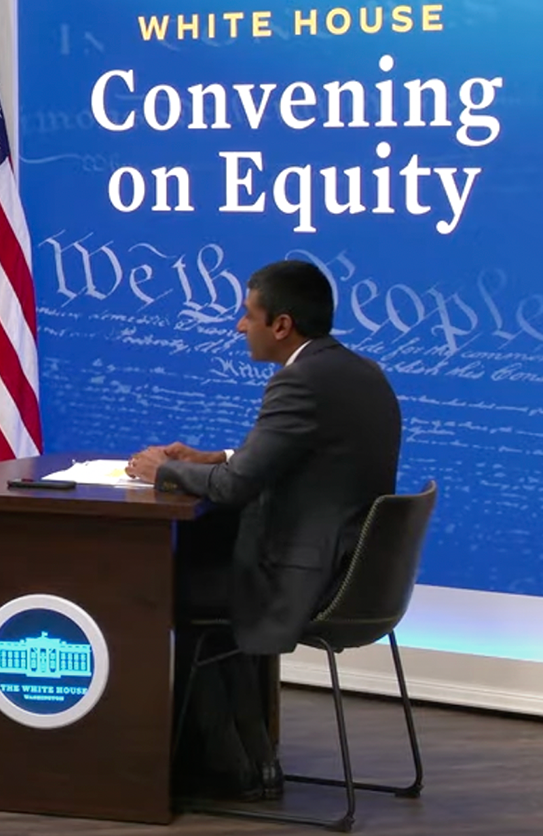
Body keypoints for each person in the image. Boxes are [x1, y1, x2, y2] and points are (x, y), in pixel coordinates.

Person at [125, 259, 402, 802]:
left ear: (282, 324)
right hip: (357, 577)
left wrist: (165, 471)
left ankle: (224, 768)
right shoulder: (358, 371)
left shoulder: (300, 380)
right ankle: (246, 759)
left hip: (307, 580)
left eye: (247, 315)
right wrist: (217, 456)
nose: (237, 326)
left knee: (161, 595)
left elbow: (234, 488)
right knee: (208, 588)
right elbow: (290, 461)